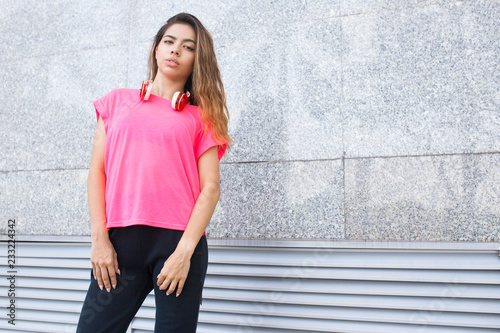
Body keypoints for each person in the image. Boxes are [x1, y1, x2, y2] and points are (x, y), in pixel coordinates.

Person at [76, 12, 232, 333]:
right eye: (169, 41)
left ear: (196, 60)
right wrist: (99, 239)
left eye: (188, 47)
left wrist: (184, 253)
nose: (175, 50)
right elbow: (97, 173)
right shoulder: (116, 102)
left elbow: (210, 189)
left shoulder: (202, 118)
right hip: (119, 245)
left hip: (178, 244)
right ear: (156, 49)